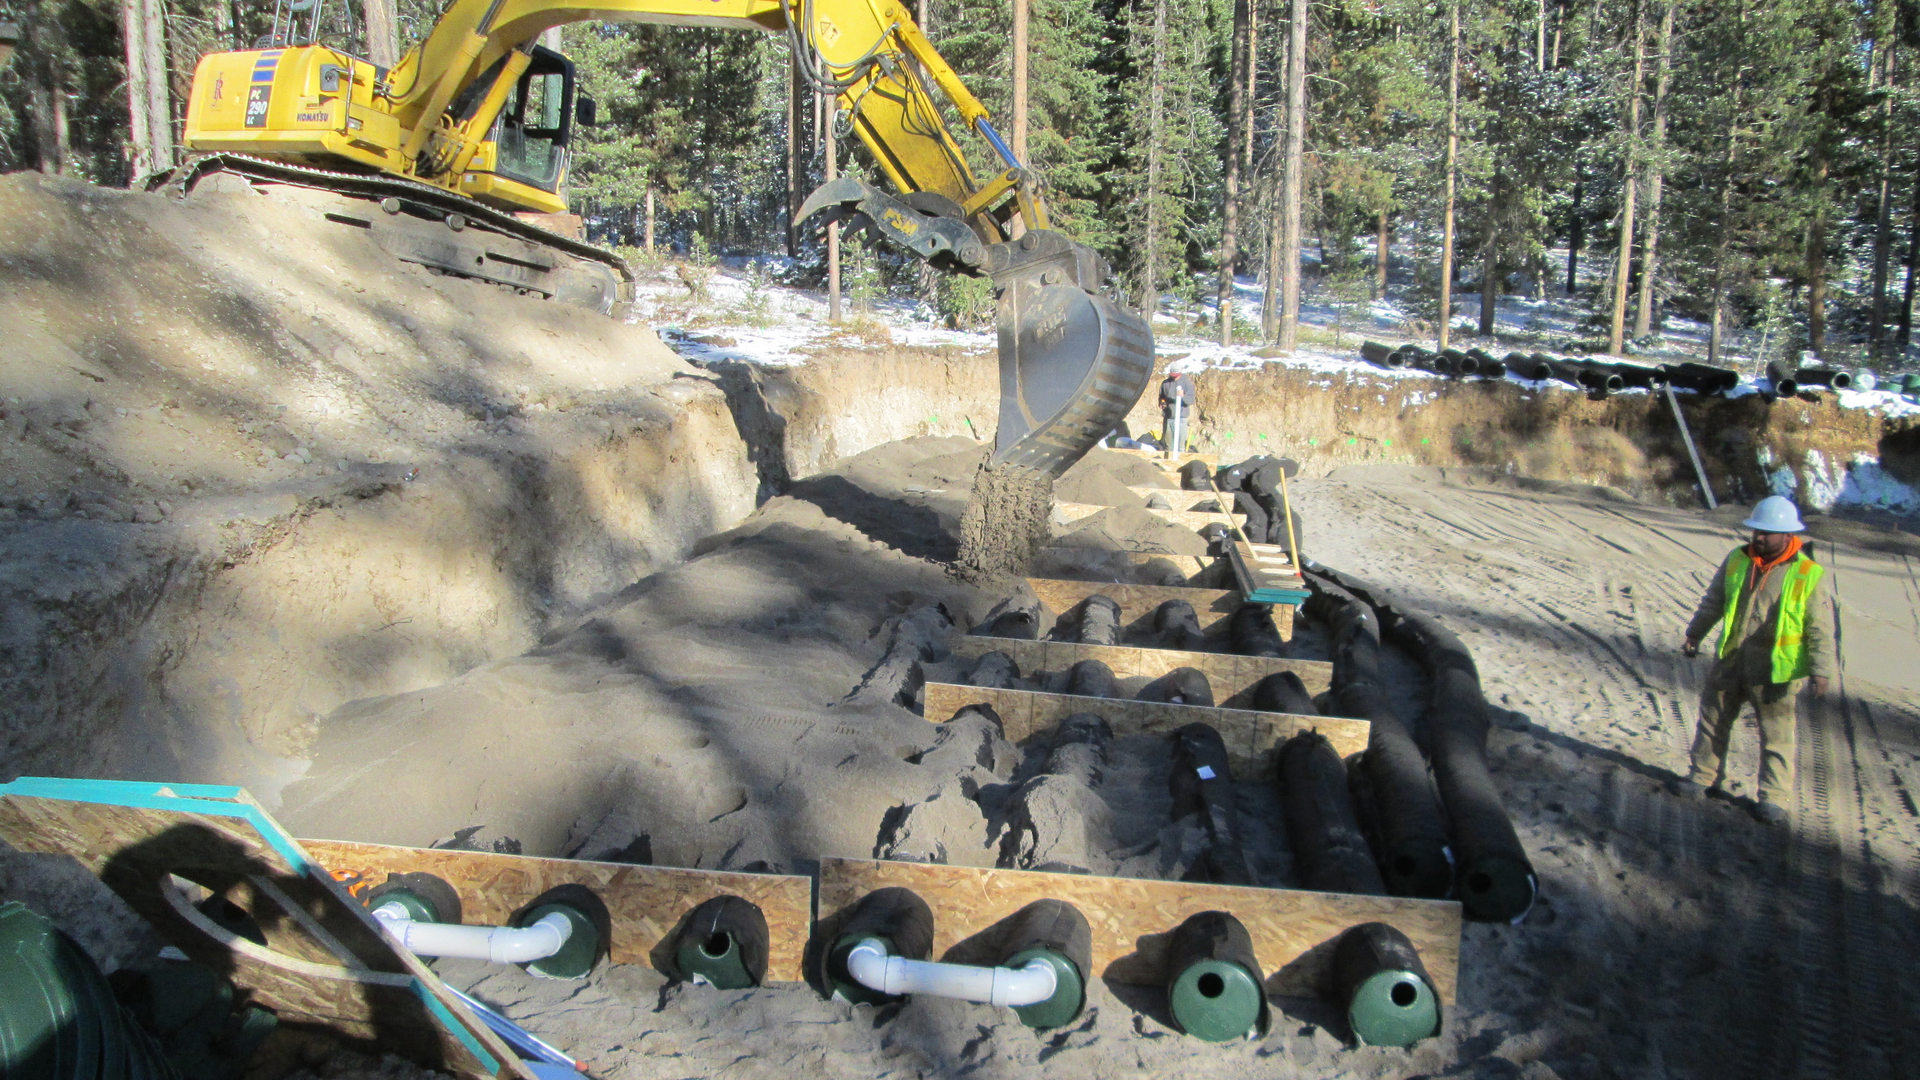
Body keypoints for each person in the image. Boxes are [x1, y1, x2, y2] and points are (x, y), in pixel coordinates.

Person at [1677, 495, 1835, 825]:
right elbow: (1714, 600)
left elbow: (1819, 626)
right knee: (1712, 720)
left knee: (1777, 735)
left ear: (1787, 535)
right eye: (1756, 531)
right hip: (1732, 659)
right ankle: (1702, 776)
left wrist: (1821, 670)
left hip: (1775, 669)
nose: (1758, 537)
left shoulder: (1808, 573)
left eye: (1767, 532)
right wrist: (1695, 632)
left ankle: (1773, 798)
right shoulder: (1737, 560)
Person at [1159, 370, 1196, 454]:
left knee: (1180, 446)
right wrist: (1162, 402)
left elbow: (1190, 400)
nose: (1174, 376)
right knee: (1168, 445)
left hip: (1181, 418)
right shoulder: (1165, 383)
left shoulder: (1187, 383)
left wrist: (1182, 396)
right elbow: (1161, 397)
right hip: (1168, 418)